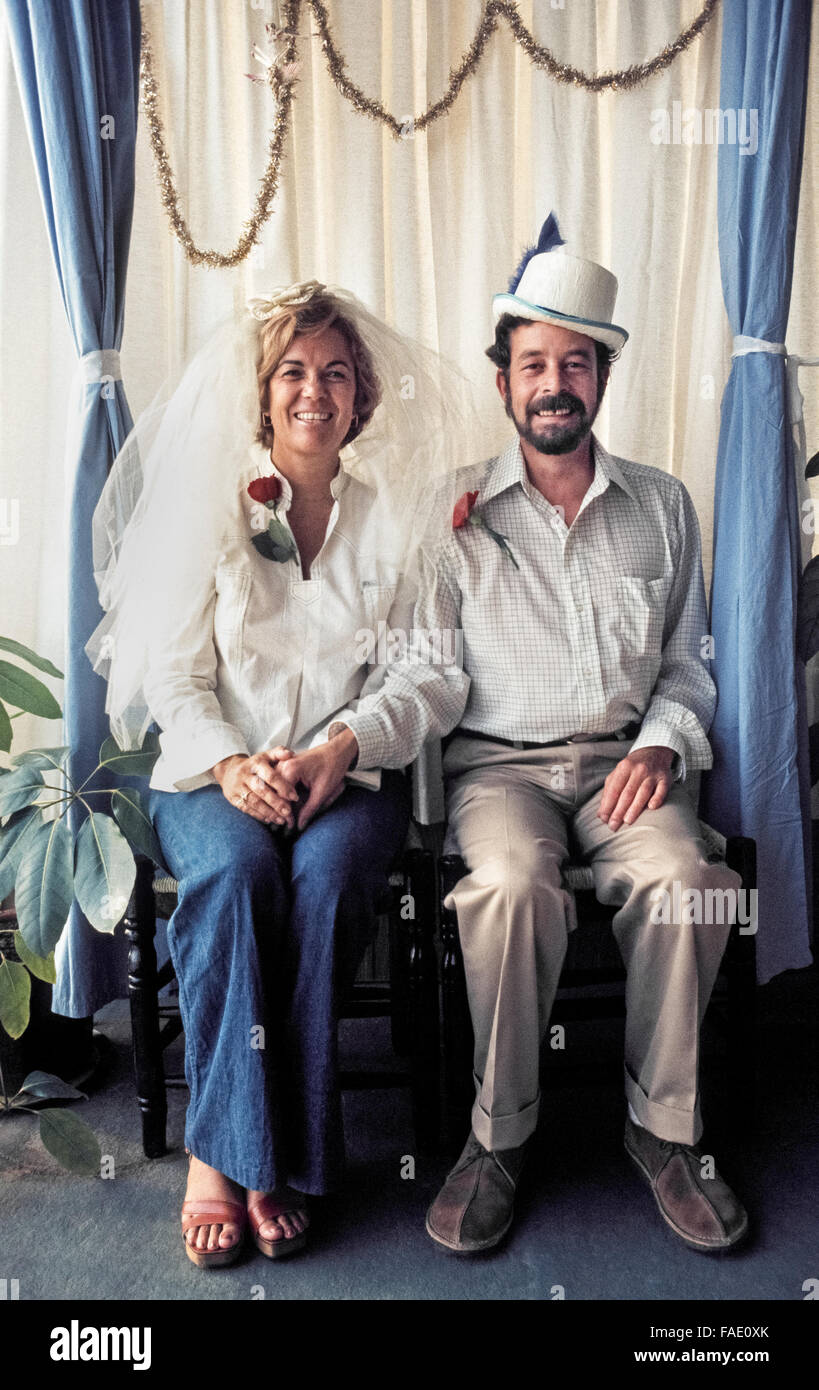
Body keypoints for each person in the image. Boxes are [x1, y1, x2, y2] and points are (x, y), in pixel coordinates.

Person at [321, 215, 750, 1255]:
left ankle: (666, 1129)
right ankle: (497, 1136)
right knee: (509, 886)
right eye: (533, 364)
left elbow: (690, 658)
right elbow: (425, 672)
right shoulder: (451, 511)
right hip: (499, 773)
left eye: (575, 362)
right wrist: (349, 737)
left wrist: (666, 739)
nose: (553, 382)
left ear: (602, 377)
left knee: (689, 875)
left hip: (625, 765)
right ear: (504, 378)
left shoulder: (664, 506)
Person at [87, 281, 473, 1267]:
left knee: (324, 878)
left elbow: (430, 673)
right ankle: (225, 1157)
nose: (315, 392)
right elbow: (169, 672)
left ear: (362, 397)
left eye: (336, 375)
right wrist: (230, 760)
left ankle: (283, 1159)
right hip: (211, 775)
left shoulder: (395, 521)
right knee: (235, 872)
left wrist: (341, 747)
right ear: (262, 395)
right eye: (294, 373)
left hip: (350, 776)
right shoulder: (212, 509)